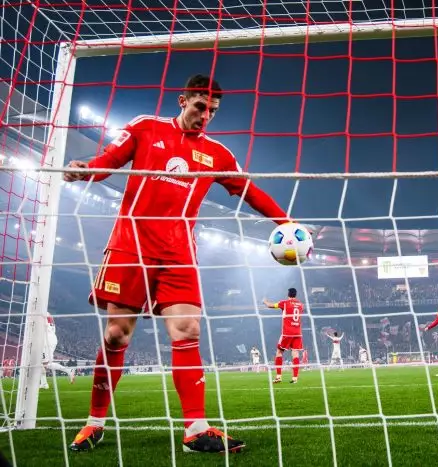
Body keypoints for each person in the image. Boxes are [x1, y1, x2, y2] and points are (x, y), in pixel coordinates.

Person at [64, 74, 291, 453]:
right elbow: (109, 161)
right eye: (201, 107)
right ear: (182, 100)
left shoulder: (217, 154)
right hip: (130, 246)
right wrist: (87, 170)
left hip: (178, 253)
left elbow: (250, 192)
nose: (206, 116)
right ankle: (94, 423)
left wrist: (286, 223)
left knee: (187, 328)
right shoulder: (145, 127)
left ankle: (195, 430)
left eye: (212, 111)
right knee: (117, 334)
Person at [263, 288, 303, 384]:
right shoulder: (301, 304)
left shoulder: (284, 303)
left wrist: (265, 301)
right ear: (295, 295)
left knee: (279, 352)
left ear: (288, 294)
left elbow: (270, 305)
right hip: (298, 333)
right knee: (295, 354)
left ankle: (278, 377)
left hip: (287, 333)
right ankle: (295, 378)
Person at [40, 314, 76, 388]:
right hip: (50, 339)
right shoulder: (48, 315)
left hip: (47, 340)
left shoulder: (42, 313)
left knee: (44, 363)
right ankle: (44, 383)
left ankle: (44, 384)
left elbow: (42, 326)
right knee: (44, 363)